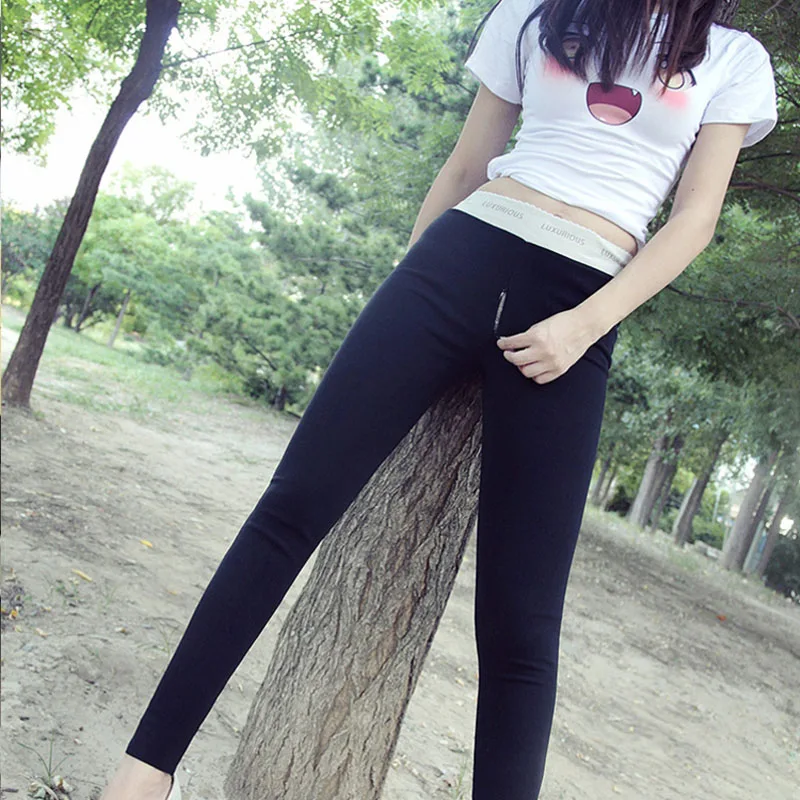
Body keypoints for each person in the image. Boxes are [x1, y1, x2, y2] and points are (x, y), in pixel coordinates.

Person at [100, 0, 777, 798]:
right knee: (290, 510)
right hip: (459, 259)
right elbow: (464, 167)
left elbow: (693, 222)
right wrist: (409, 292)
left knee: (522, 622)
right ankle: (141, 776)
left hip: (576, 307)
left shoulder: (731, 57)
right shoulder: (537, 13)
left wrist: (585, 326)